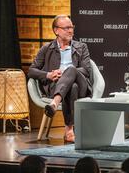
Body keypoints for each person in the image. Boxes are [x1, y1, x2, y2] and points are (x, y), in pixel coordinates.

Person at [28, 15, 93, 143]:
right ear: (56, 30)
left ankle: (54, 103)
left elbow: (86, 70)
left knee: (71, 70)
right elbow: (31, 70)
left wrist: (66, 72)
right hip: (56, 86)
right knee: (71, 87)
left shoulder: (81, 47)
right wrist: (48, 75)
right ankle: (69, 131)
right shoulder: (47, 48)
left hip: (81, 85)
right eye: (66, 28)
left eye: (71, 27)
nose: (70, 31)